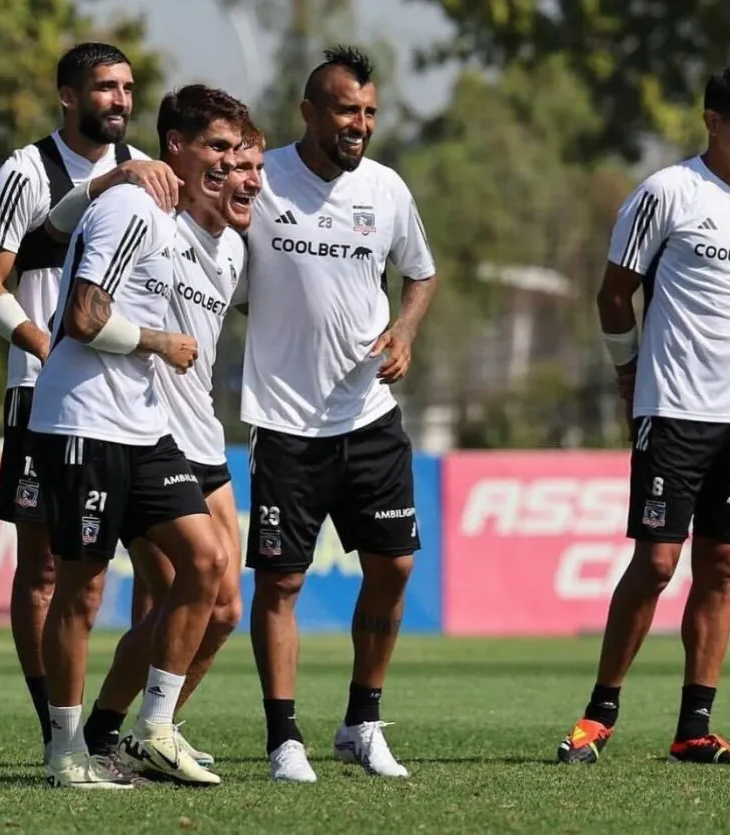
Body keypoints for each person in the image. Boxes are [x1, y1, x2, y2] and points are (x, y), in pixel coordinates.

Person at [557, 64, 730, 765]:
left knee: (722, 564)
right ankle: (601, 712)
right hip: (675, 408)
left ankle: (695, 726)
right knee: (658, 561)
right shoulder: (665, 193)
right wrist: (629, 372)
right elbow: (613, 294)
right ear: (713, 122)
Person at [27, 84, 249, 789]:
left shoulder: (175, 216)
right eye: (215, 148)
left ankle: (154, 728)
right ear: (175, 147)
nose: (226, 163)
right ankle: (66, 749)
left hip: (144, 425)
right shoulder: (132, 205)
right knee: (82, 592)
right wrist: (160, 341)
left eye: (234, 150)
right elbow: (85, 317)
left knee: (208, 564)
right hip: (83, 420)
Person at [0, 41, 177, 759]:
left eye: (126, 87)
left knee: (163, 569)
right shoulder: (25, 171)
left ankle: (122, 727)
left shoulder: (146, 174)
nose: (119, 100)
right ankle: (52, 726)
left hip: (131, 399)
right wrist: (41, 342)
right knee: (47, 568)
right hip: (44, 391)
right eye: (103, 88)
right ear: (67, 95)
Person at [239, 45, 437, 783]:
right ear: (310, 113)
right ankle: (283, 736)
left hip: (370, 415)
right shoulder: (259, 180)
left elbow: (421, 271)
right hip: (287, 421)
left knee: (395, 564)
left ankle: (362, 719)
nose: (361, 124)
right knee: (282, 583)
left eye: (370, 112)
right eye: (348, 110)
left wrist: (405, 330)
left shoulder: (386, 190)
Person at [76, 121, 266, 773]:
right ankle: (114, 733)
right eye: (225, 159)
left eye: (248, 164)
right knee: (172, 596)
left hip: (206, 441)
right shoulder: (160, 217)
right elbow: (70, 233)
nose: (242, 175)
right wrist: (124, 172)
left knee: (224, 608)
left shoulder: (238, 251)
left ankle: (145, 730)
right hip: (151, 434)